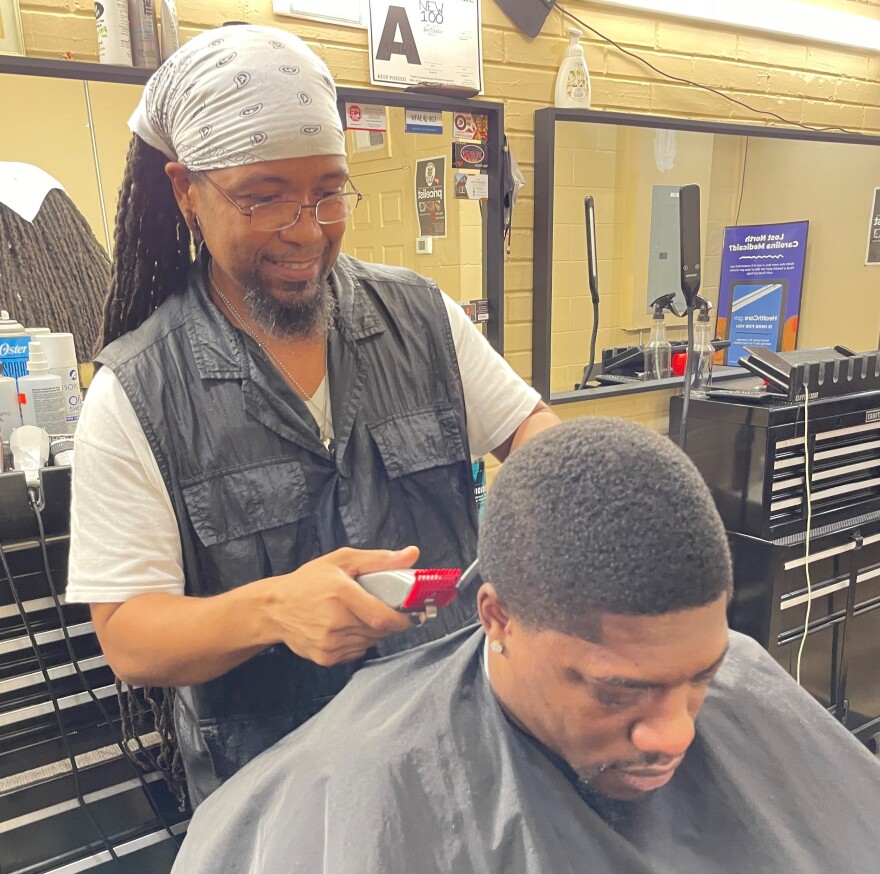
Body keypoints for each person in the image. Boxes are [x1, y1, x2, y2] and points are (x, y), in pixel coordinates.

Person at [65, 24, 559, 808]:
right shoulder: (135, 392)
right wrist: (273, 608)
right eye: (264, 198)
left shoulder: (421, 318)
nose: (307, 229)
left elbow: (538, 443)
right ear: (186, 192)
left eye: (329, 191)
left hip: (454, 762)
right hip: (278, 799)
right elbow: (129, 635)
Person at [172, 417, 880, 873]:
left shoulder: (749, 681)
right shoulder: (348, 787)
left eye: (702, 676)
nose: (674, 734)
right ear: (497, 618)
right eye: (616, 690)